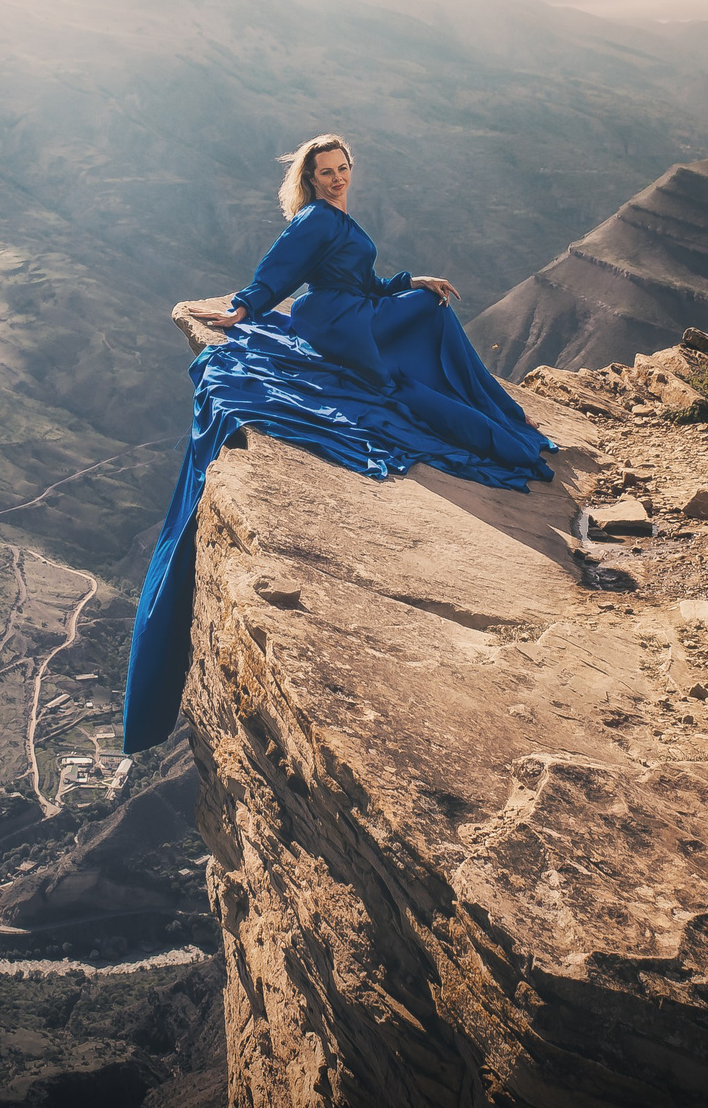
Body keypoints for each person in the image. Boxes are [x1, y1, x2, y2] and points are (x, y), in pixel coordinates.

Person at [119, 134, 554, 753]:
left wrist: (414, 277)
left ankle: (472, 400)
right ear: (309, 177)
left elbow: (366, 280)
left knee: (427, 305)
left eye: (343, 169)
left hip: (348, 310)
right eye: (326, 171)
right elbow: (280, 268)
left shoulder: (338, 216)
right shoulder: (316, 218)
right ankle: (479, 415)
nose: (337, 178)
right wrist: (244, 309)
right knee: (417, 345)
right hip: (333, 324)